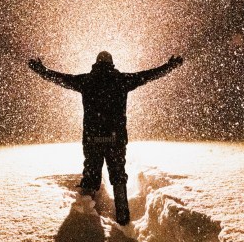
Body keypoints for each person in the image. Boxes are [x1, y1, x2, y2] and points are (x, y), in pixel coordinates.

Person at [28, 51, 184, 225]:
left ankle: (87, 221)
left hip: (92, 139)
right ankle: (123, 217)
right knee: (118, 177)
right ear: (112, 63)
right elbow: (148, 75)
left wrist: (41, 70)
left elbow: (59, 78)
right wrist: (169, 66)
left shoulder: (86, 81)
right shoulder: (122, 80)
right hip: (115, 139)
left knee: (91, 176)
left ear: (96, 63)